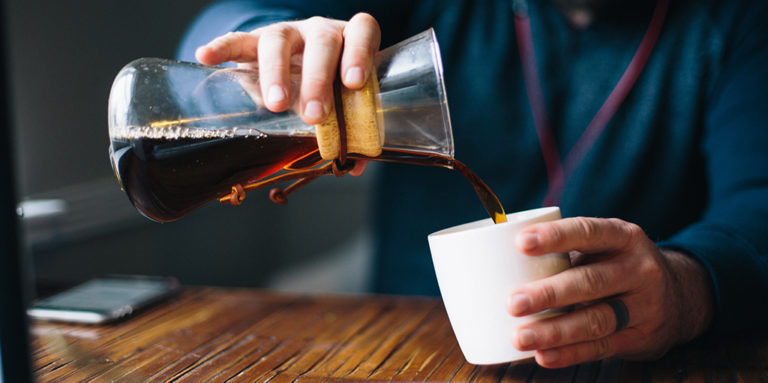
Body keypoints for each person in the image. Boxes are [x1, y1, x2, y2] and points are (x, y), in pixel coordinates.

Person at [177, 0, 768, 368]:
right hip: (406, 350)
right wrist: (264, 47)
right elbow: (226, 26)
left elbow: (757, 206)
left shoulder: (738, 21)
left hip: (636, 360)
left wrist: (688, 287)